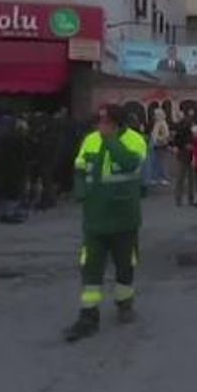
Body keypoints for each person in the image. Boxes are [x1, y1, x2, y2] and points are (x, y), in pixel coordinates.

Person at [63, 105, 147, 341]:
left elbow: (130, 163)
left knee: (125, 264)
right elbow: (80, 167)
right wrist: (81, 191)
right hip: (95, 218)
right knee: (90, 266)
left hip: (124, 217)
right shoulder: (91, 140)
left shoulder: (135, 140)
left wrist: (110, 140)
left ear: (118, 123)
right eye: (99, 122)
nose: (101, 126)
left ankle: (124, 302)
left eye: (107, 122)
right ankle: (88, 315)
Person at [0, 116, 28, 224]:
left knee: (5, 191)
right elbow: (22, 154)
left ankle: (5, 213)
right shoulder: (16, 137)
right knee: (13, 191)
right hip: (14, 168)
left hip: (2, 169)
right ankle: (10, 213)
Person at [171, 113, 197, 206]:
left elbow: (175, 142)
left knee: (182, 179)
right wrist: (186, 146)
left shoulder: (181, 131)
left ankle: (180, 199)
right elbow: (176, 142)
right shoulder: (186, 131)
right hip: (187, 156)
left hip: (185, 156)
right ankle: (188, 198)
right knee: (188, 179)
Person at [147, 109, 171, 186]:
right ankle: (157, 177)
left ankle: (162, 178)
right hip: (156, 145)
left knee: (161, 163)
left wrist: (158, 139)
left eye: (155, 115)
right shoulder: (158, 123)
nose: (154, 116)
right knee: (156, 162)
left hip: (160, 145)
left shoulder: (162, 124)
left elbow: (165, 135)